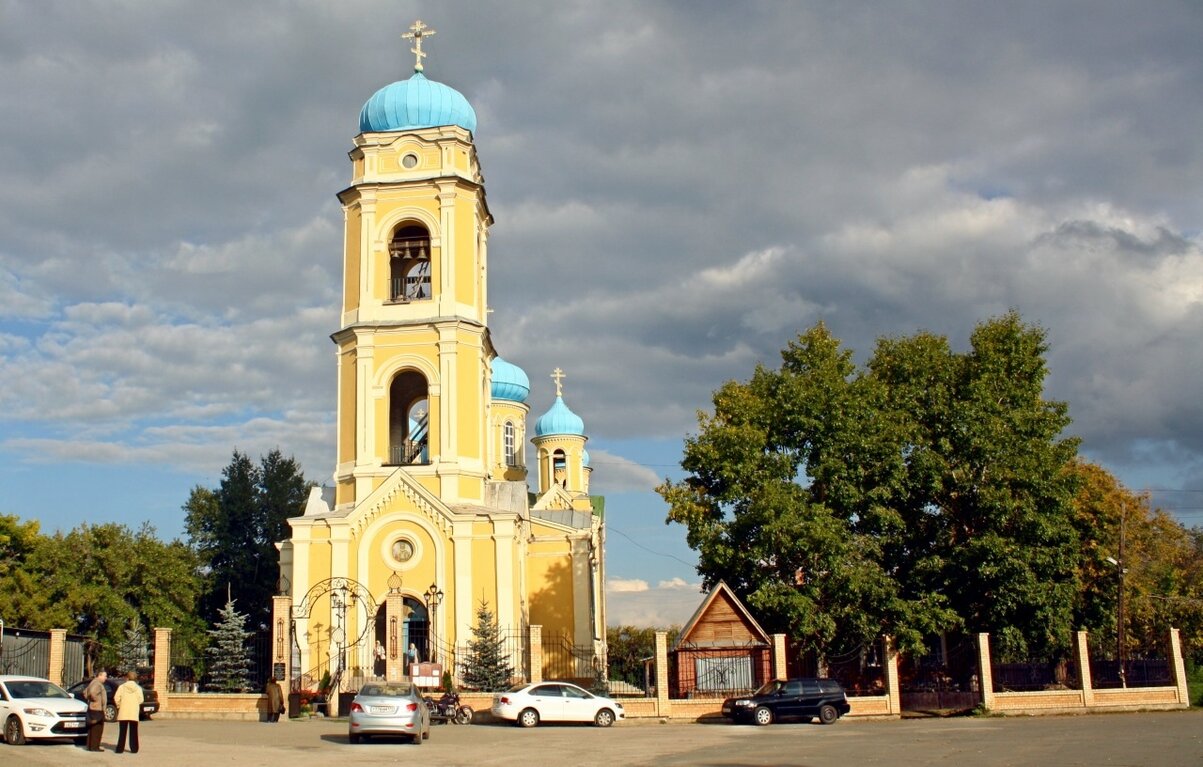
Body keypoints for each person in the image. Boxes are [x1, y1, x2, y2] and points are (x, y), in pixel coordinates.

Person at [114, 671, 143, 754]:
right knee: (134, 731)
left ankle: (120, 749)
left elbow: (116, 698)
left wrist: (119, 705)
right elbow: (141, 700)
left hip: (123, 711)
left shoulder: (122, 687)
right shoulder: (138, 688)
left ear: (127, 678)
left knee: (122, 732)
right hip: (133, 712)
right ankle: (134, 748)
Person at [84, 670, 108, 752]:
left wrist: (91, 699)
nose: (106, 678)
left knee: (93, 728)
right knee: (97, 728)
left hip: (93, 708)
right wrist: (96, 700)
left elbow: (85, 692)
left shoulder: (93, 682)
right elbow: (91, 692)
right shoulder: (97, 683)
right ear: (100, 675)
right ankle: (95, 747)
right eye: (105, 676)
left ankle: (91, 746)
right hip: (97, 709)